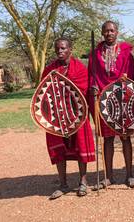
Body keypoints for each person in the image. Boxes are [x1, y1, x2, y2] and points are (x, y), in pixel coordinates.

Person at [88, 21, 134, 188]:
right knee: (108, 139)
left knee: (125, 137)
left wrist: (127, 80)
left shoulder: (125, 52)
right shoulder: (95, 54)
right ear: (102, 33)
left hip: (122, 98)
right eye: (106, 31)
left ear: (117, 32)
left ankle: (130, 175)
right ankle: (108, 176)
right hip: (103, 100)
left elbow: (132, 73)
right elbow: (91, 75)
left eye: (112, 30)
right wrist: (93, 88)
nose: (109, 33)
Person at [44, 37, 95, 199]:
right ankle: (63, 184)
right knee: (58, 148)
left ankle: (83, 182)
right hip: (56, 117)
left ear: (70, 50)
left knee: (81, 146)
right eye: (57, 48)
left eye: (63, 48)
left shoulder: (80, 69)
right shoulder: (49, 70)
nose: (60, 51)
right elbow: (44, 92)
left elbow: (83, 91)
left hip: (77, 115)